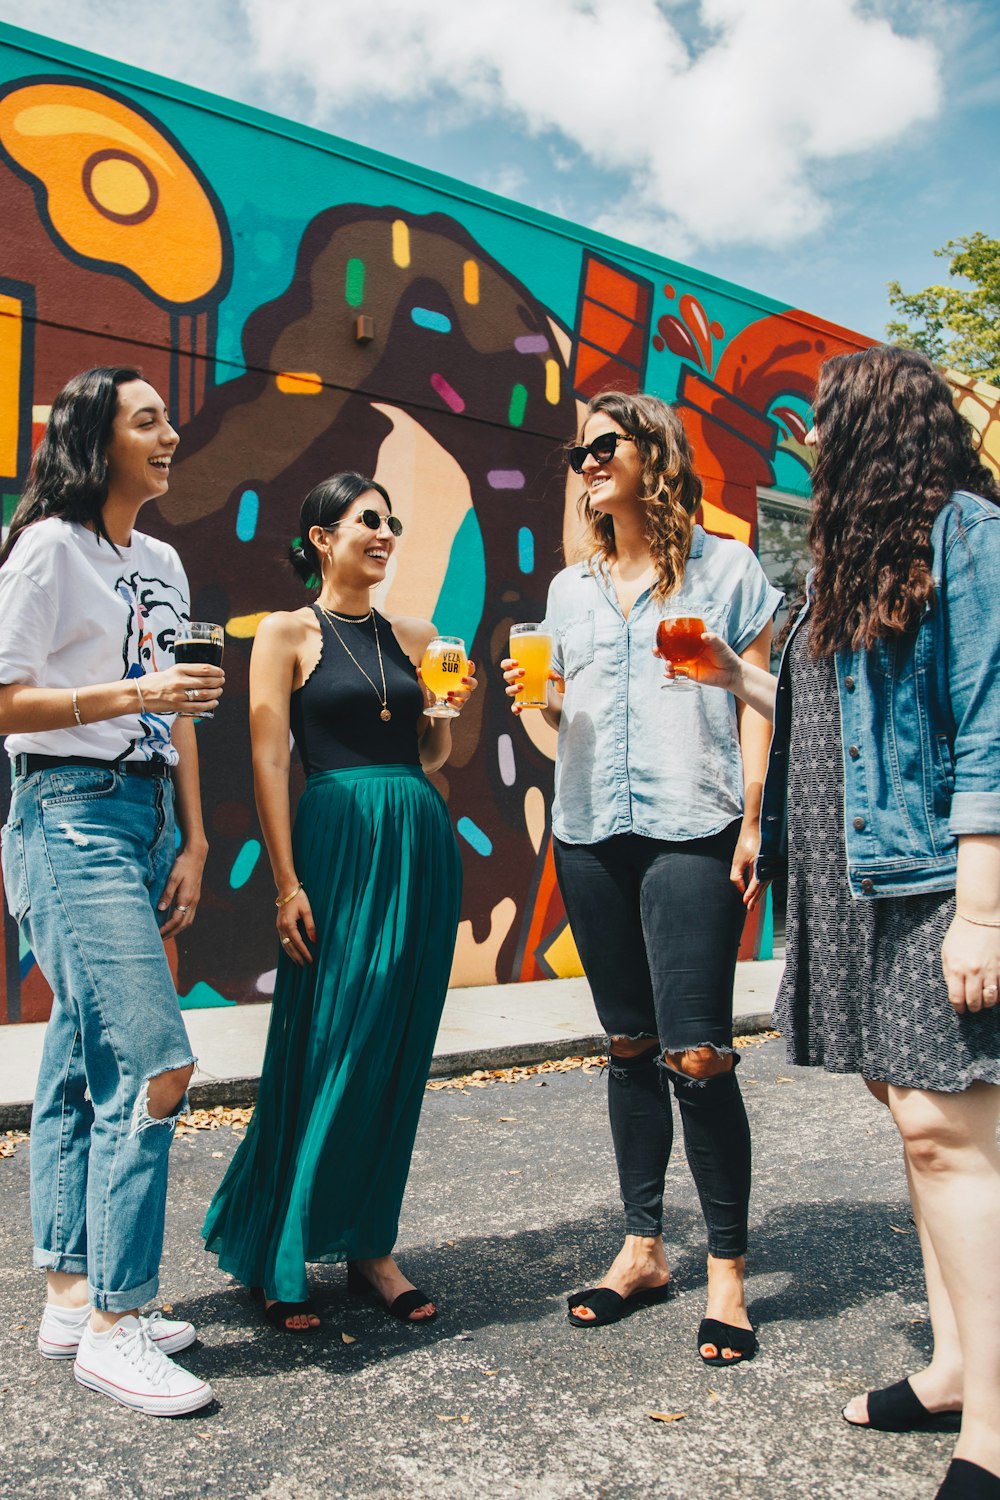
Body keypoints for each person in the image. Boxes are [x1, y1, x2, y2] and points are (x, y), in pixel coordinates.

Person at [676, 347, 1000, 1500]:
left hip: (928, 884)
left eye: (824, 422)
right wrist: (732, 674)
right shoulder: (849, 557)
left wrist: (981, 911)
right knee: (911, 1117)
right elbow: (824, 712)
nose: (809, 439)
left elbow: (988, 719)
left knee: (943, 1128)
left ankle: (993, 1426)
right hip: (852, 880)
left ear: (876, 423)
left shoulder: (966, 528)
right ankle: (957, 1366)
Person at [504, 390, 781, 1363]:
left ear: (652, 453)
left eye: (603, 446)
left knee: (696, 1053)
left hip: (695, 828)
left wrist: (754, 818)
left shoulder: (726, 568)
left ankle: (729, 1277)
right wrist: (534, 706)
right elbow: (557, 723)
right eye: (579, 452)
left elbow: (761, 699)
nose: (585, 462)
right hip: (589, 830)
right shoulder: (568, 593)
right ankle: (643, 1249)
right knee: (627, 1044)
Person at [0, 367, 225, 1416]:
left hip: (140, 818)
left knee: (80, 1057)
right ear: (98, 437)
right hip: (67, 812)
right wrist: (131, 691)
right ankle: (118, 1322)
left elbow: (178, 707)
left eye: (168, 419)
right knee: (152, 1061)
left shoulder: (165, 560)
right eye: (149, 421)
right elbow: (5, 700)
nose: (170, 433)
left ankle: (67, 1289)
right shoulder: (48, 546)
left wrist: (192, 832)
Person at [202, 472, 474, 1332]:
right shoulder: (285, 632)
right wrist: (286, 882)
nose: (385, 533)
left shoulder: (420, 635)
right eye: (368, 520)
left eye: (391, 521)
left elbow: (432, 756)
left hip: (416, 839)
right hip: (336, 843)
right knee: (327, 1041)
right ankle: (280, 1245)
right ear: (322, 538)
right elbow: (271, 762)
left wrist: (448, 711)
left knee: (395, 1048)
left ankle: (371, 1247)